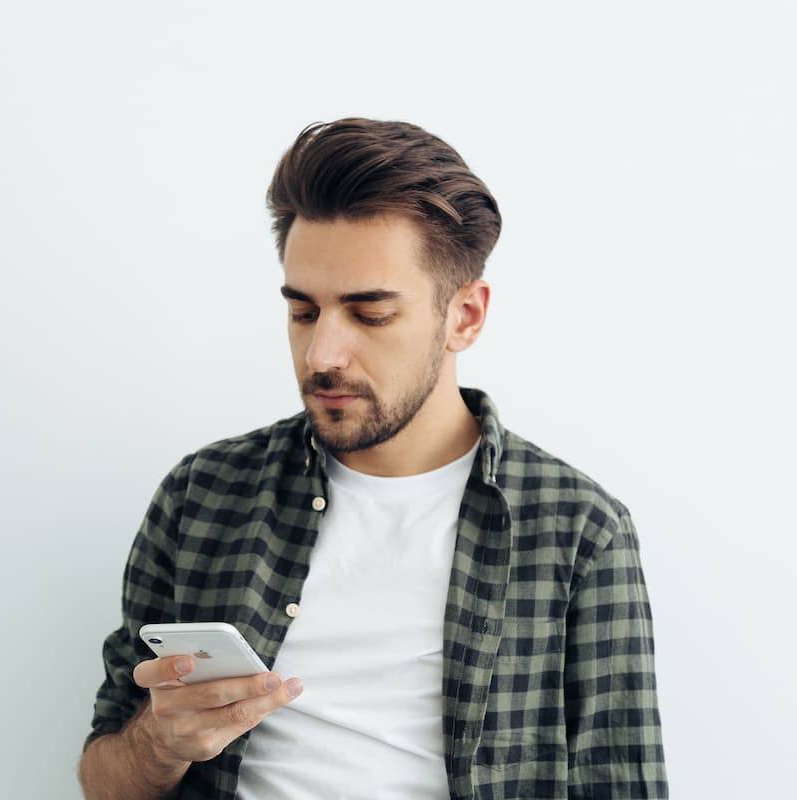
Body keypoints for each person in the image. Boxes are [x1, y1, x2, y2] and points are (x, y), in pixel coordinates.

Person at [78, 117, 668, 800]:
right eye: (303, 312)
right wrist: (158, 742)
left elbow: (624, 785)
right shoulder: (203, 495)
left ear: (465, 317)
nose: (322, 355)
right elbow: (104, 783)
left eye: (369, 315)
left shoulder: (576, 530)